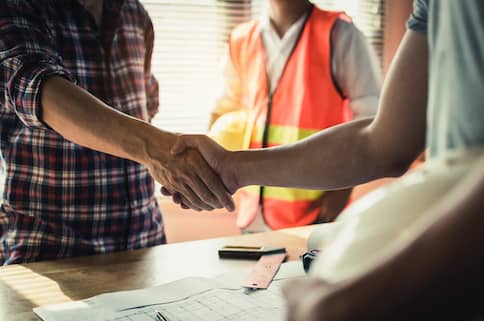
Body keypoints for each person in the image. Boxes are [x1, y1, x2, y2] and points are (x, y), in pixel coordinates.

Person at [171, 0, 484, 319]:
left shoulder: (338, 32)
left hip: (448, 257)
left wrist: (375, 286)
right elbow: (381, 143)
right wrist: (231, 167)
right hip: (260, 218)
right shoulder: (433, 5)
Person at [0, 0, 234, 265]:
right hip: (51, 254)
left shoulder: (134, 13)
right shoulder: (17, 7)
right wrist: (160, 150)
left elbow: (146, 107)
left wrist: (175, 159)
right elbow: (40, 91)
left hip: (145, 249)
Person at [208, 0, 381, 232]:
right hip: (252, 216)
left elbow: (370, 123)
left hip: (317, 215)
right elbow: (222, 113)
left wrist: (341, 192)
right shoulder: (241, 39)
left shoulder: (339, 34)